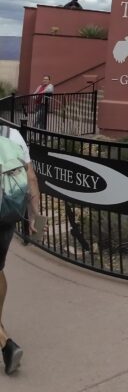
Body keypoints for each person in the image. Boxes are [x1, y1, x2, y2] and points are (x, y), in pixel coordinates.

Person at [0, 121, 39, 374]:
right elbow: (31, 175)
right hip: (8, 212)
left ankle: (6, 343)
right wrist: (34, 213)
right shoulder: (11, 134)